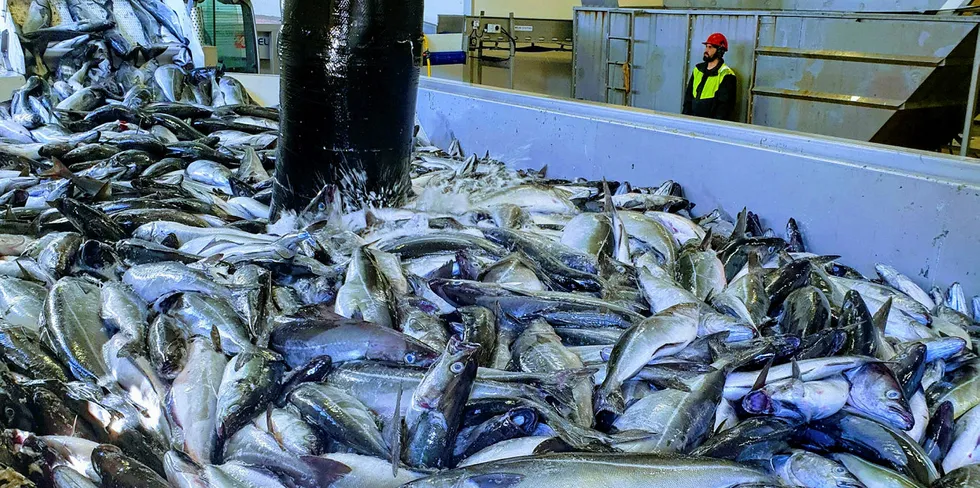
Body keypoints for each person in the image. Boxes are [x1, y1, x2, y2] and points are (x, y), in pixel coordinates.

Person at [682, 32, 736, 121]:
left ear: (719, 50)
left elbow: (724, 108)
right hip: (692, 121)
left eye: (710, 47)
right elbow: (688, 98)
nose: (706, 50)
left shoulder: (726, 74)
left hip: (710, 124)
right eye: (706, 46)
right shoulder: (698, 69)